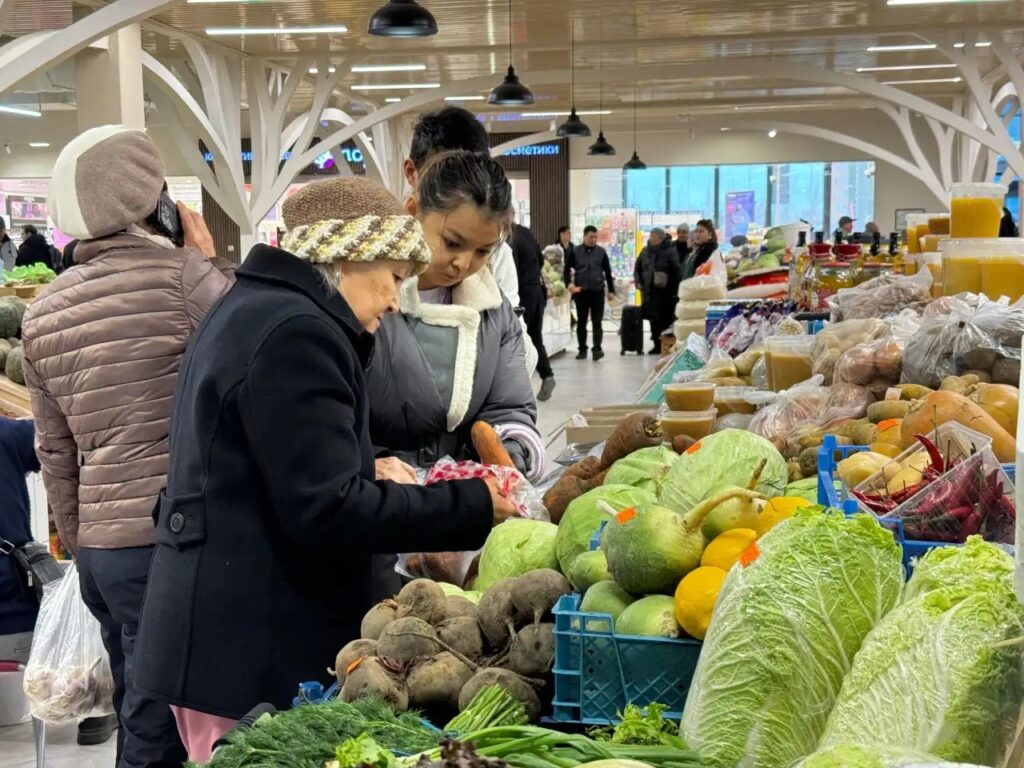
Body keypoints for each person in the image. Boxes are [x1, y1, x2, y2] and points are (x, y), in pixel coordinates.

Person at [134, 177, 514, 762]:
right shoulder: (298, 334)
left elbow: (276, 471)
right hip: (243, 647)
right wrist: (472, 505)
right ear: (346, 256)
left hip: (222, 629)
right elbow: (327, 508)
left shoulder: (255, 307)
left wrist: (363, 466)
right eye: (392, 278)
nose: (393, 302)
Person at [20, 124, 235, 768]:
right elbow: (252, 354)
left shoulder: (42, 313)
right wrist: (208, 257)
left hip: (106, 555)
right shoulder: (185, 281)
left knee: (141, 706)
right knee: (156, 724)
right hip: (178, 542)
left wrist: (83, 546)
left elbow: (54, 453)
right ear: (156, 202)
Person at [367, 152, 543, 482]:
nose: (462, 264)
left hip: (468, 507)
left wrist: (511, 458)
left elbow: (510, 407)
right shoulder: (365, 300)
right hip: (376, 504)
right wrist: (365, 464)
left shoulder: (496, 314)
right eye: (452, 243)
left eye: (482, 251)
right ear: (412, 211)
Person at [404, 106, 520, 307]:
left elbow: (513, 328)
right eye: (445, 174)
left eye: (482, 251)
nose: (463, 264)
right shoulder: (376, 260)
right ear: (411, 171)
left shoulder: (496, 255)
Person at [512, 222, 556, 401]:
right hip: (537, 291)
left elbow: (511, 267)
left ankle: (519, 389)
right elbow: (541, 258)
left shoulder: (508, 236)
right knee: (535, 337)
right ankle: (547, 375)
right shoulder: (525, 232)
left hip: (522, 293)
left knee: (517, 340)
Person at [564, 225, 615, 361]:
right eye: (591, 237)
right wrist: (568, 283)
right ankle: (582, 349)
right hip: (581, 292)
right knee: (581, 322)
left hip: (597, 291)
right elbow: (566, 269)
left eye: (595, 237)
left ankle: (597, 348)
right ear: (584, 236)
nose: (594, 240)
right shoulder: (575, 251)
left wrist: (611, 290)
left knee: (597, 322)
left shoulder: (601, 252)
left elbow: (608, 272)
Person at [635, 228, 682, 355]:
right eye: (651, 235)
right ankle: (656, 344)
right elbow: (637, 267)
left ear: (661, 238)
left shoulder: (670, 251)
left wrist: (673, 288)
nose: (651, 237)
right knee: (652, 319)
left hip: (664, 293)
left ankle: (666, 345)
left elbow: (676, 271)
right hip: (648, 291)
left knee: (665, 319)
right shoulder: (645, 251)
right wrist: (638, 282)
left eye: (654, 236)